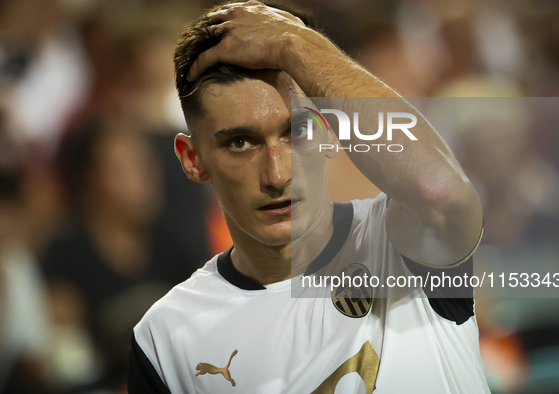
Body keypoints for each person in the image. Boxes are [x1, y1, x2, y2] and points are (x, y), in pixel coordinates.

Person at [127, 1, 489, 392]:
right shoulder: (165, 340)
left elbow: (436, 191)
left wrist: (292, 43)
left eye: (296, 131)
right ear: (193, 159)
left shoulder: (403, 241)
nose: (277, 175)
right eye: (240, 142)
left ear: (333, 130)